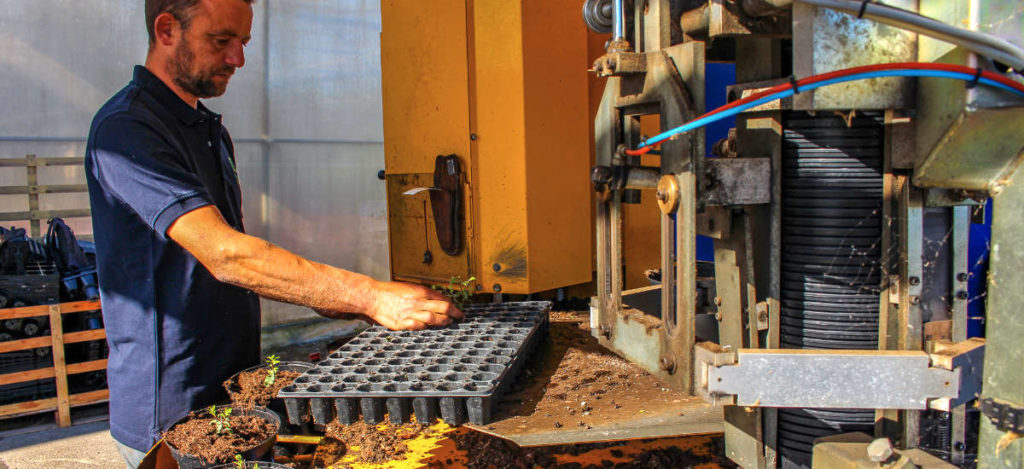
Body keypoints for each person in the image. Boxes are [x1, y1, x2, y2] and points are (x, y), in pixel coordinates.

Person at [84, 1, 463, 466]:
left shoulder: (206, 130)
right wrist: (366, 295)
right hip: (173, 409)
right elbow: (225, 254)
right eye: (221, 41)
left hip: (230, 389)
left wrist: (330, 296)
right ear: (167, 30)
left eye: (243, 43)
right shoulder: (128, 129)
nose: (238, 60)